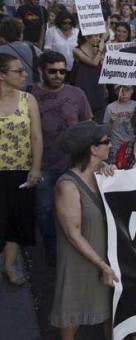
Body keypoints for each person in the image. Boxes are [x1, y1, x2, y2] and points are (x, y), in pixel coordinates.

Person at [50, 121, 118, 340]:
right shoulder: (68, 185)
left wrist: (113, 177)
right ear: (93, 149)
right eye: (106, 142)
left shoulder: (102, 175)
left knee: (111, 310)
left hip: (105, 255)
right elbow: (73, 234)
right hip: (81, 260)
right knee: (73, 313)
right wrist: (102, 265)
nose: (111, 144)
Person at [32, 51, 93, 266]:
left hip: (73, 165)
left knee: (79, 210)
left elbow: (87, 125)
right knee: (45, 210)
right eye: (53, 71)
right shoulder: (30, 95)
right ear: (41, 71)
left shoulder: (77, 94)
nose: (58, 75)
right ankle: (53, 249)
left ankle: (77, 249)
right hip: (43, 165)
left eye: (62, 71)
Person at [0, 52, 42, 286]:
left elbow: (36, 136)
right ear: (2, 75)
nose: (25, 74)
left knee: (16, 220)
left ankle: (9, 266)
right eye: (18, 71)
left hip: (20, 171)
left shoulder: (28, 100)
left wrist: (35, 167)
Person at [71, 32, 107, 122]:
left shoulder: (97, 51)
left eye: (99, 36)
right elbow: (93, 63)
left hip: (97, 86)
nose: (98, 39)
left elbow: (101, 69)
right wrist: (100, 50)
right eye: (96, 36)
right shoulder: (77, 51)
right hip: (83, 85)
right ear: (87, 37)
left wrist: (105, 87)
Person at [0, 18, 43, 92]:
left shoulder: (1, 51)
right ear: (21, 34)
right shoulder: (35, 50)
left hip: (7, 92)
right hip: (32, 91)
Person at [104, 85, 136, 163]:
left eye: (127, 90)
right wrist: (111, 121)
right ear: (116, 92)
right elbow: (105, 131)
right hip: (116, 147)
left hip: (134, 146)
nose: (124, 94)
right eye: (121, 91)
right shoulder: (110, 107)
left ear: (132, 90)